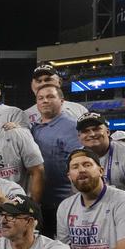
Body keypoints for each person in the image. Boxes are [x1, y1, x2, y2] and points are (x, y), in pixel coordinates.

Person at [31, 83, 82, 235]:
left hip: (64, 202)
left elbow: (79, 165)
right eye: (40, 98)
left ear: (62, 101)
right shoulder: (34, 127)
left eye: (50, 96)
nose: (45, 101)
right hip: (41, 202)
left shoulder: (72, 126)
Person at [75, 112, 125, 196]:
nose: (92, 134)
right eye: (85, 131)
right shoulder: (74, 159)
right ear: (79, 136)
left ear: (108, 132)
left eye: (96, 129)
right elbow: (78, 196)